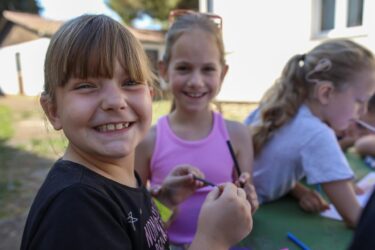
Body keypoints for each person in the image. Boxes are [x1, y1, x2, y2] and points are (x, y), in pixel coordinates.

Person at [20, 14, 252, 250]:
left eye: (130, 82)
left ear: (149, 95)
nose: (115, 101)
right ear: (53, 110)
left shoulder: (120, 176)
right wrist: (213, 241)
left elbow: (142, 234)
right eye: (86, 86)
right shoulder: (75, 210)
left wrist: (166, 202)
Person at [135, 9, 258, 248]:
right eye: (183, 68)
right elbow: (141, 225)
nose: (196, 81)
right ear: (163, 70)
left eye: (208, 69)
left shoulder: (239, 135)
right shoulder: (147, 141)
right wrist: (165, 202)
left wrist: (249, 202)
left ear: (223, 74)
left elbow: (246, 202)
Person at [249, 39, 375, 228]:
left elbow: (265, 167)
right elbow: (356, 218)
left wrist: (298, 190)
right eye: (359, 101)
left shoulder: (282, 105)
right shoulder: (317, 134)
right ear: (325, 93)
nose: (363, 111)